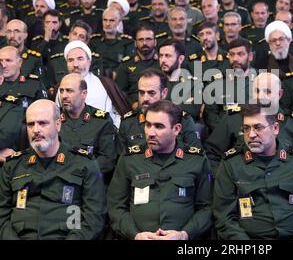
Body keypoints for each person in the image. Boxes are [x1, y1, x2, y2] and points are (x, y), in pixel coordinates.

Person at [213, 104, 293, 239]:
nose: (251, 135)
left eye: (258, 127)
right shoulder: (230, 164)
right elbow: (224, 219)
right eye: (246, 128)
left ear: (275, 128)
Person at [0, 99, 106, 239]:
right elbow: (2, 215)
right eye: (31, 124)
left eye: (42, 123)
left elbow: (94, 217)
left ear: (58, 124)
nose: (36, 130)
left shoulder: (83, 163)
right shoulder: (12, 166)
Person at [107, 100, 212, 240]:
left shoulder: (196, 160)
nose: (151, 132)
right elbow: (116, 206)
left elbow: (207, 208)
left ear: (176, 129)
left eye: (159, 126)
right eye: (148, 125)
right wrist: (135, 234)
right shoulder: (130, 158)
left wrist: (184, 234)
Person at [58, 73, 118, 178]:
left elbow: (107, 160)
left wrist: (79, 171)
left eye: (69, 91)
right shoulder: (53, 118)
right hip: (58, 179)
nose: (64, 96)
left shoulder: (101, 121)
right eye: (61, 91)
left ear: (83, 94)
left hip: (89, 179)